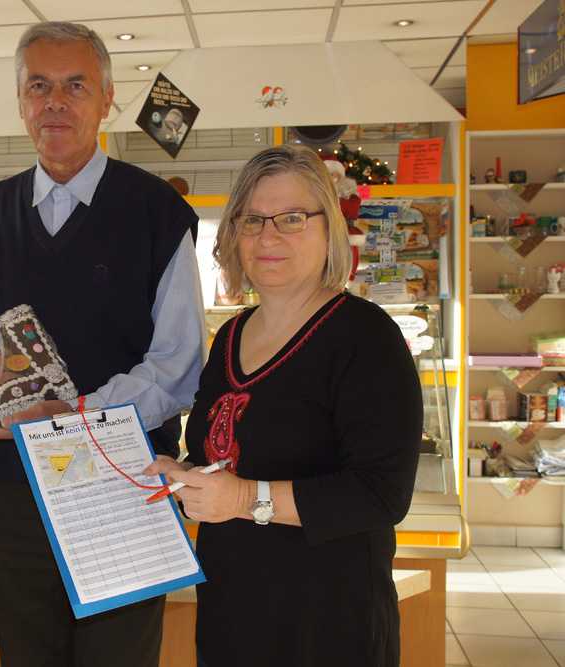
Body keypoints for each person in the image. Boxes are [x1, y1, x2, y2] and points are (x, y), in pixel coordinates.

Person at [0, 21, 206, 667]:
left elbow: (179, 363)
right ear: (22, 101)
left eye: (75, 85)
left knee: (119, 652)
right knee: (28, 651)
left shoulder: (157, 213)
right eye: (40, 86)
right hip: (12, 485)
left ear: (106, 98)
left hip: (122, 477)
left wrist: (79, 419)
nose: (56, 102)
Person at [146, 144, 422, 666]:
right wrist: (185, 478)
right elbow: (226, 459)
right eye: (252, 219)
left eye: (292, 218)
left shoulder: (365, 337)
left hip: (327, 625)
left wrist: (243, 499)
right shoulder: (229, 336)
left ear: (328, 232)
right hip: (232, 615)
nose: (269, 236)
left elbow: (382, 494)